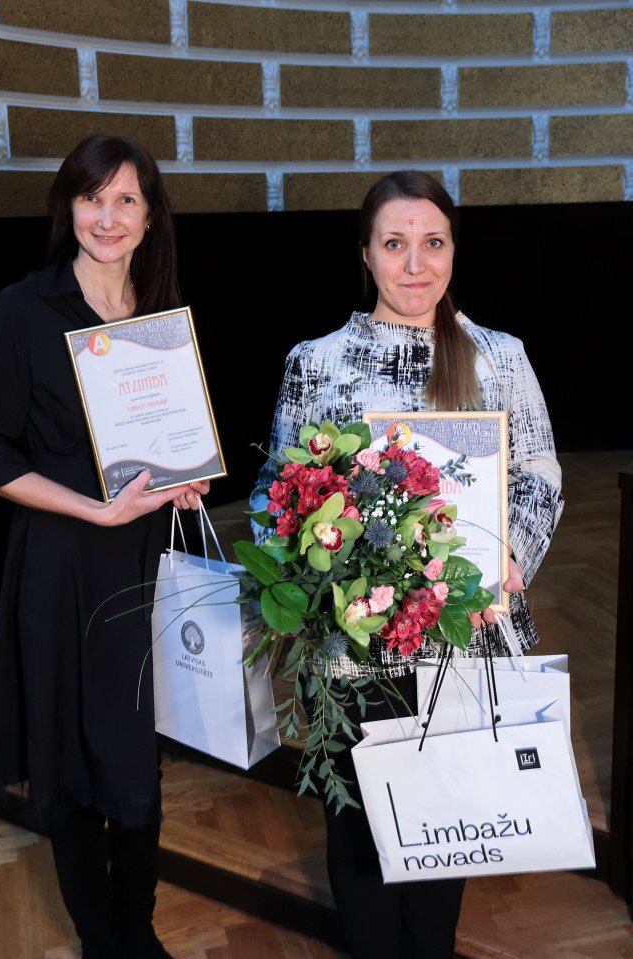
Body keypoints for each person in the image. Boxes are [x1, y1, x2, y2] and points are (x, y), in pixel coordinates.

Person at [252, 170, 564, 958]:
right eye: (395, 244)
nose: (415, 264)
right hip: (353, 652)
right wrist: (302, 549)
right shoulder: (315, 362)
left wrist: (512, 557)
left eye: (432, 242)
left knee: (443, 841)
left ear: (453, 250)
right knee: (360, 842)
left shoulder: (500, 356)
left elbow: (540, 476)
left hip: (466, 643)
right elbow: (271, 492)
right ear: (366, 253)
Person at [0, 134, 208, 959]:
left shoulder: (162, 312)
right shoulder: (22, 310)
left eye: (126, 200)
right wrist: (92, 510)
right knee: (68, 751)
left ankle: (135, 927)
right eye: (92, 198)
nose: (108, 216)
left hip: (143, 565)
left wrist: (186, 477)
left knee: (135, 750)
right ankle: (102, 939)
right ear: (69, 208)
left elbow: (170, 443)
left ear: (148, 215)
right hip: (62, 560)